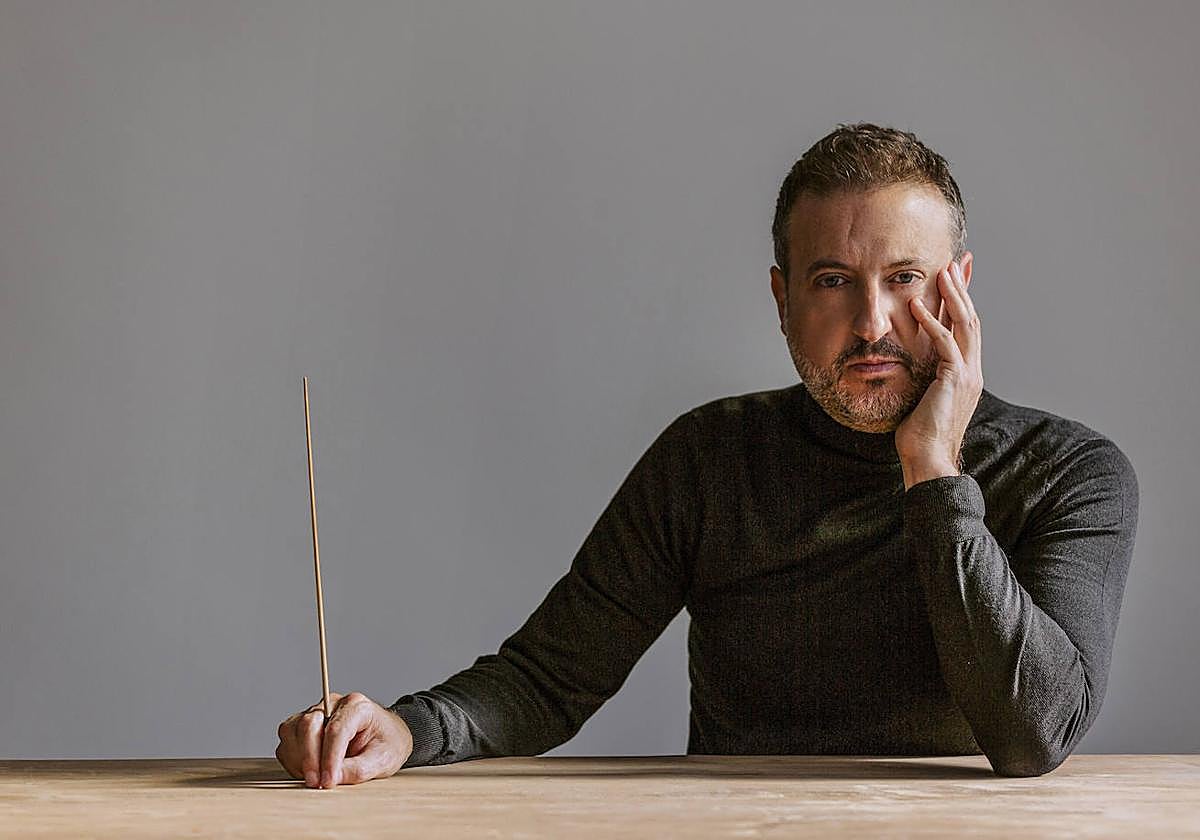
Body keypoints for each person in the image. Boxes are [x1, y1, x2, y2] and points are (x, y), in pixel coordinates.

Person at [275, 123, 1139, 787]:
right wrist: (404, 731)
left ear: (958, 291)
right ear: (782, 296)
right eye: (834, 280)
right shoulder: (711, 457)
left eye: (906, 278)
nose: (873, 323)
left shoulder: (1070, 473)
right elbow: (549, 679)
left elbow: (1035, 737)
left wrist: (934, 471)